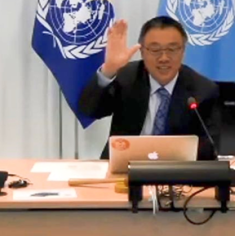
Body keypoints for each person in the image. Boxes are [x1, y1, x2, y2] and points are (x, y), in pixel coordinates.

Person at [78, 16, 221, 159]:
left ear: (183, 51)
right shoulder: (126, 77)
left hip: (177, 171)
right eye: (155, 49)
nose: (164, 58)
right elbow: (89, 110)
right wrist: (108, 70)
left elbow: (210, 147)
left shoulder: (203, 90)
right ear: (142, 52)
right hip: (124, 166)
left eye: (172, 49)